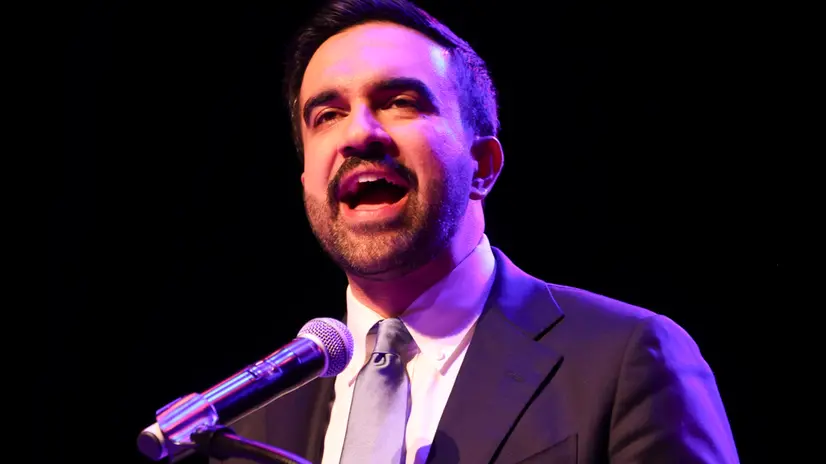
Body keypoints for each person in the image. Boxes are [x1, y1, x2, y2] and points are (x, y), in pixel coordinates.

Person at [212, 0, 739, 462]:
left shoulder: (625, 360)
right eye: (328, 114)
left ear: (482, 166)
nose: (359, 133)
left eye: (399, 102)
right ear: (306, 179)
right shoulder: (254, 423)